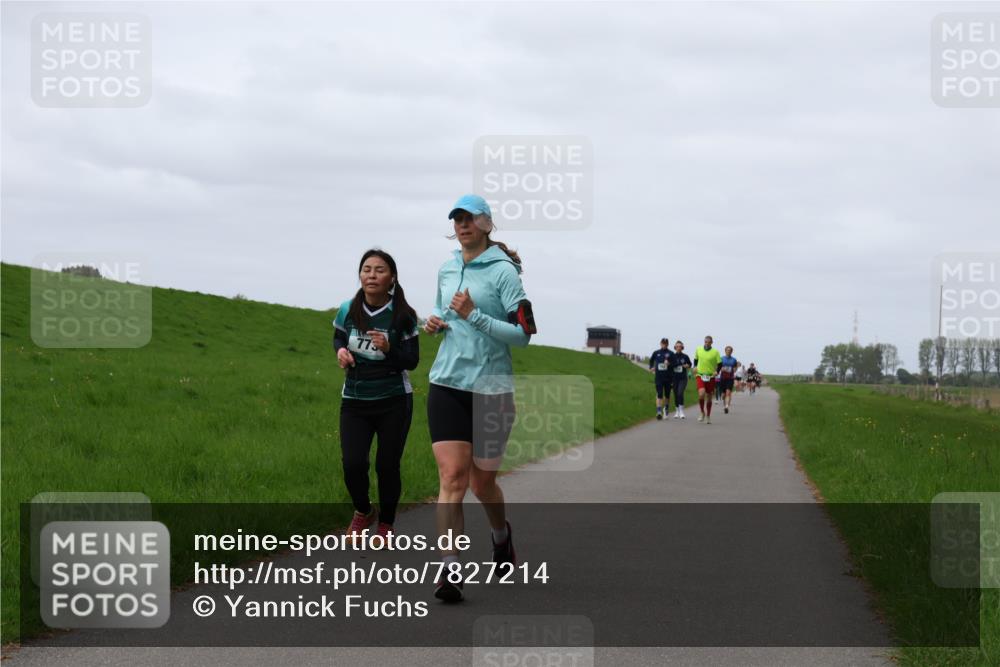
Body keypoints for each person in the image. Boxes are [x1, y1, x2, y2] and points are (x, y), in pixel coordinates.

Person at [424, 194, 536, 603]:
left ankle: (501, 537)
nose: (462, 224)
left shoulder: (505, 272)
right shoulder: (447, 266)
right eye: (456, 218)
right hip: (448, 383)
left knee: (482, 482)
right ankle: (449, 570)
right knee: (452, 478)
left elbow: (523, 335)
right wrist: (433, 322)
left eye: (470, 218)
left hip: (492, 389)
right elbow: (441, 311)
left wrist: (475, 315)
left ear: (487, 224)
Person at [334, 249, 420, 548]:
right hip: (355, 400)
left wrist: (388, 350)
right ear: (360, 275)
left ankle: (386, 523)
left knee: (386, 465)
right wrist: (341, 352)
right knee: (353, 464)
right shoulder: (348, 309)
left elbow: (412, 360)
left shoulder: (404, 316)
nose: (371, 275)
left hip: (394, 400)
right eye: (366, 269)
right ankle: (363, 510)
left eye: (379, 270)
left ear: (391, 278)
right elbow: (338, 337)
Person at [693, 335, 722, 424]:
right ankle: (702, 412)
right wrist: (694, 367)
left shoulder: (715, 352)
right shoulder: (698, 349)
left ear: (711, 343)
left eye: (709, 342)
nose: (707, 344)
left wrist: (717, 371)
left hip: (710, 376)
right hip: (700, 375)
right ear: (704, 342)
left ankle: (708, 416)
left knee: (709, 397)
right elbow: (695, 359)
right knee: (701, 393)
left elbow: (720, 363)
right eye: (706, 342)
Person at [648, 338, 673, 420]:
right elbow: (651, 360)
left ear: (668, 344)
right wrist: (651, 367)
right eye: (663, 343)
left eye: (666, 344)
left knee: (667, 395)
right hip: (658, 377)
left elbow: (675, 363)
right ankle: (659, 411)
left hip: (668, 378)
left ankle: (666, 409)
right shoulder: (656, 353)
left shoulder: (671, 353)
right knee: (659, 394)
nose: (664, 345)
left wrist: (669, 363)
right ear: (660, 344)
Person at [670, 340, 692, 419]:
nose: (679, 348)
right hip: (674, 378)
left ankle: (681, 411)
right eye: (677, 346)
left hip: (683, 378)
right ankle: (677, 411)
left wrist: (687, 365)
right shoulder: (672, 356)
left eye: (680, 346)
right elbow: (670, 365)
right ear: (675, 347)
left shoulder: (685, 356)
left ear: (682, 347)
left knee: (680, 393)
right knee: (675, 394)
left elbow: (690, 364)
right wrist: (678, 364)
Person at [719, 346, 739, 414]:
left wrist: (734, 369)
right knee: (723, 395)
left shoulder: (734, 360)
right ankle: (725, 405)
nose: (728, 351)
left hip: (730, 378)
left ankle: (727, 406)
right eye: (727, 350)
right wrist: (722, 369)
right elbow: (718, 367)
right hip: (723, 378)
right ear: (725, 351)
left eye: (730, 350)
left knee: (728, 393)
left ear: (731, 352)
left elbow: (735, 367)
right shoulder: (721, 358)